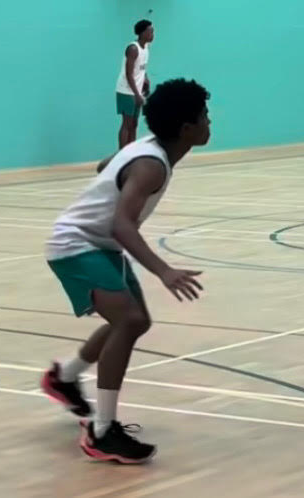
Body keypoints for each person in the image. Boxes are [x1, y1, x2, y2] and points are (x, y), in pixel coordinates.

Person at [40, 79, 211, 463]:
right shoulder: (151, 165)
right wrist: (164, 270)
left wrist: (115, 174)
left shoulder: (147, 149)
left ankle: (64, 378)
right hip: (76, 244)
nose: (209, 122)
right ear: (187, 128)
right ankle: (101, 432)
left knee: (135, 321)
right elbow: (122, 225)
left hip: (100, 244)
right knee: (129, 320)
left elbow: (106, 166)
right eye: (204, 116)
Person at [117, 20, 154, 149]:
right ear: (142, 33)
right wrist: (137, 94)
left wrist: (146, 79)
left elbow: (141, 68)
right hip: (126, 91)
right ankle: (122, 154)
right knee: (127, 124)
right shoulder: (133, 49)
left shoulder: (146, 48)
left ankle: (131, 151)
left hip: (137, 91)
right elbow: (129, 73)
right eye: (150, 32)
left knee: (134, 124)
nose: (153, 34)